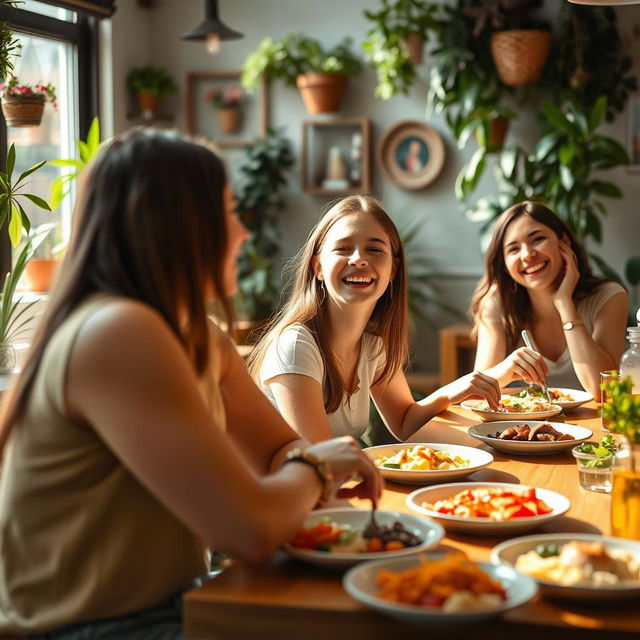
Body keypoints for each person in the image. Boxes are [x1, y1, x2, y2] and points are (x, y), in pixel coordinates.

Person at [0, 130, 381, 639]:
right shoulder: (117, 332)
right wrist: (316, 469)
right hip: (92, 627)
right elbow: (247, 530)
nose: (242, 232)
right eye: (228, 211)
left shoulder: (200, 337)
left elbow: (277, 449)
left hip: (176, 599)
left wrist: (304, 470)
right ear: (177, 226)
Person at [248, 195, 500, 444]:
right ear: (318, 267)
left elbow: (404, 422)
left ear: (392, 270)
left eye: (375, 249)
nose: (358, 258)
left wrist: (456, 389)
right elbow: (321, 462)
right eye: (343, 248)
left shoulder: (371, 344)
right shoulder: (295, 346)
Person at [470, 201, 628, 400]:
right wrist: (507, 369)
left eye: (537, 239)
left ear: (564, 242)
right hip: (523, 427)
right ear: (504, 264)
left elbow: (602, 390)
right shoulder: (497, 304)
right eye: (513, 249)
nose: (527, 255)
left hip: (595, 427)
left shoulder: (608, 297)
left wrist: (564, 303)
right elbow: (477, 392)